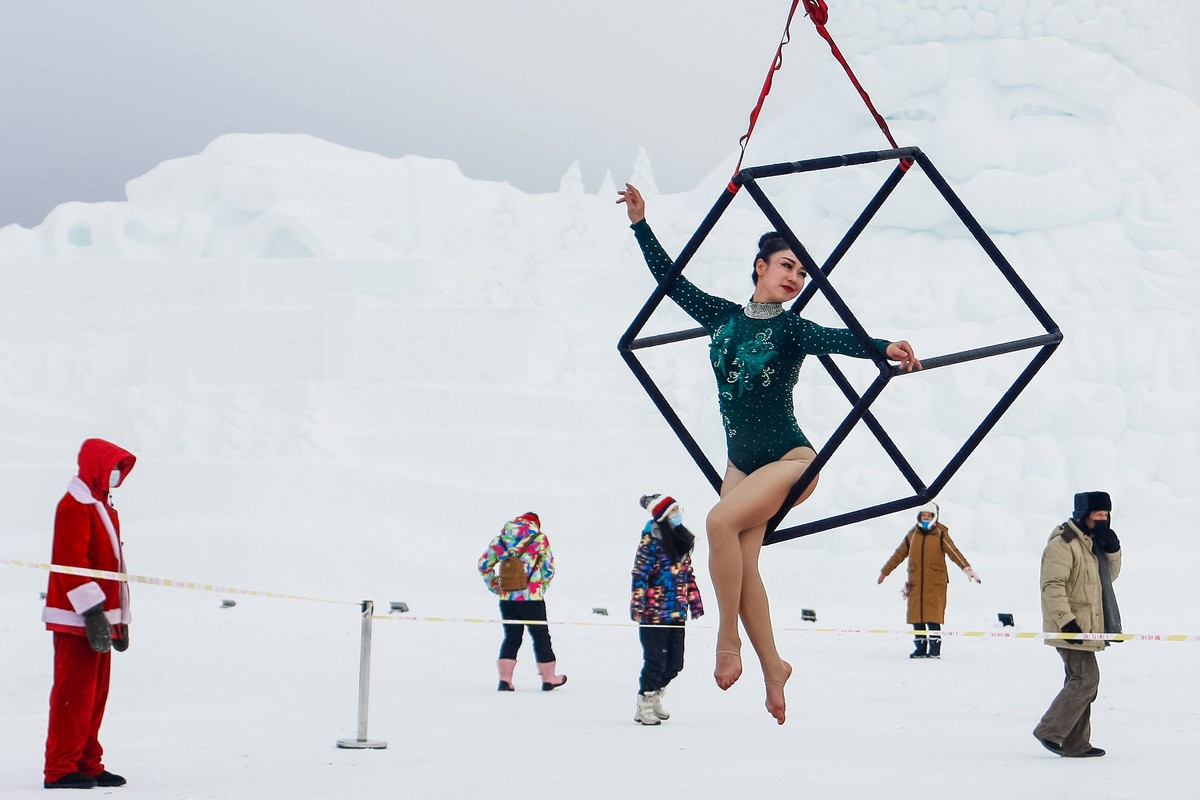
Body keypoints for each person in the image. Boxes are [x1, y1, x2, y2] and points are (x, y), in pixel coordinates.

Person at [618, 183, 921, 724]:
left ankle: (727, 641)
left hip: (790, 462)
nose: (795, 278)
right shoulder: (724, 318)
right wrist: (642, 224)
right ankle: (774, 670)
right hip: (741, 464)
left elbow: (843, 338)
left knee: (715, 525)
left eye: (802, 273)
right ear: (759, 266)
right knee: (743, 563)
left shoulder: (793, 328)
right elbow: (671, 283)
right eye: (786, 266)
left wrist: (884, 347)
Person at [42, 438, 137, 790]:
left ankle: (87, 762)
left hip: (100, 617)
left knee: (95, 695)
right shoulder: (74, 505)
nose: (115, 477)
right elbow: (71, 563)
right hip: (76, 617)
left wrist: (119, 620)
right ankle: (59, 768)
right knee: (73, 694)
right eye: (112, 469)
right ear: (96, 467)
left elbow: (112, 568)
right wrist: (94, 612)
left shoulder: (102, 506)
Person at [1033, 491, 1122, 758]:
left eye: (1106, 515)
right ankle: (1049, 730)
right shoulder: (1063, 543)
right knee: (1086, 679)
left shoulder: (1092, 542)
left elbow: (1108, 578)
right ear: (1083, 515)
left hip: (1088, 623)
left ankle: (1075, 744)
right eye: (1098, 515)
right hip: (1072, 625)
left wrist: (1112, 550)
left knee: (1082, 681)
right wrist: (1067, 622)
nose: (1103, 519)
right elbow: (1052, 586)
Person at [630, 493, 705, 726]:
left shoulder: (681, 540)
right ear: (662, 515)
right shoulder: (650, 540)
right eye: (673, 511)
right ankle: (645, 703)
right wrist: (638, 604)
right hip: (654, 613)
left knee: (675, 663)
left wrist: (695, 602)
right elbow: (640, 574)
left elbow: (688, 575)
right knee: (655, 661)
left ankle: (656, 696)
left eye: (678, 510)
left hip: (676, 612)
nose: (678, 514)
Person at [877, 501, 980, 659]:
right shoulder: (913, 534)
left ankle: (934, 649)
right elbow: (899, 554)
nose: (925, 517)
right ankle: (920, 648)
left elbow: (954, 552)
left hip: (935, 583)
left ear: (935, 517)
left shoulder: (940, 533)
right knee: (917, 616)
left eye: (929, 515)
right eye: (923, 515)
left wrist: (967, 568)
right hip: (915, 583)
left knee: (932, 616)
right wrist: (885, 572)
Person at [477, 512, 567, 692]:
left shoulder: (500, 540)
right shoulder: (539, 539)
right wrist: (540, 587)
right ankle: (549, 678)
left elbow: (483, 565)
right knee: (541, 636)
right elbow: (548, 568)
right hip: (532, 598)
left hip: (507, 597)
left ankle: (505, 680)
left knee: (511, 636)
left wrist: (495, 585)